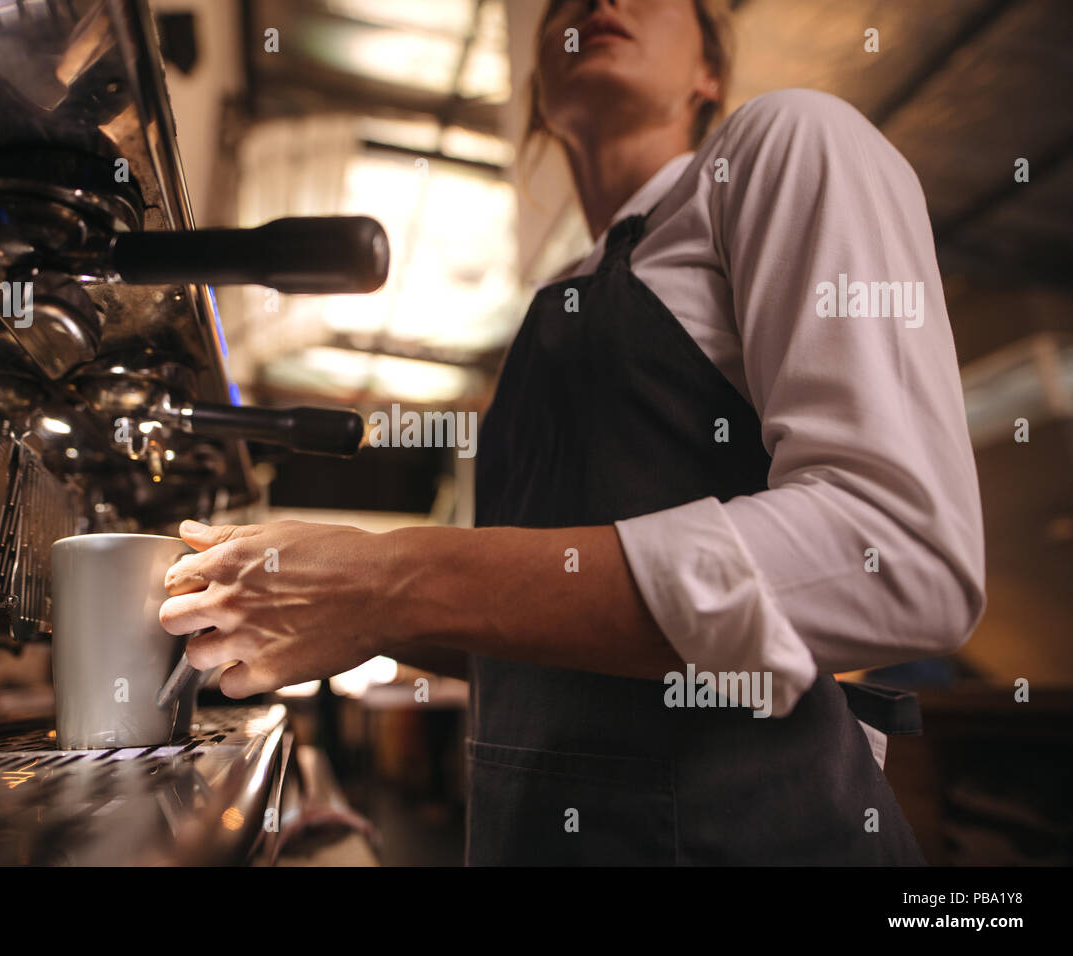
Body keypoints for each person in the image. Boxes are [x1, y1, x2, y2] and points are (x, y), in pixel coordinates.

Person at [158, 0, 985, 865]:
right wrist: (314, 602)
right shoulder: (553, 304)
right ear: (539, 97)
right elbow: (537, 632)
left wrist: (392, 579)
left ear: (709, 72)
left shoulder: (783, 145)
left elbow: (898, 549)